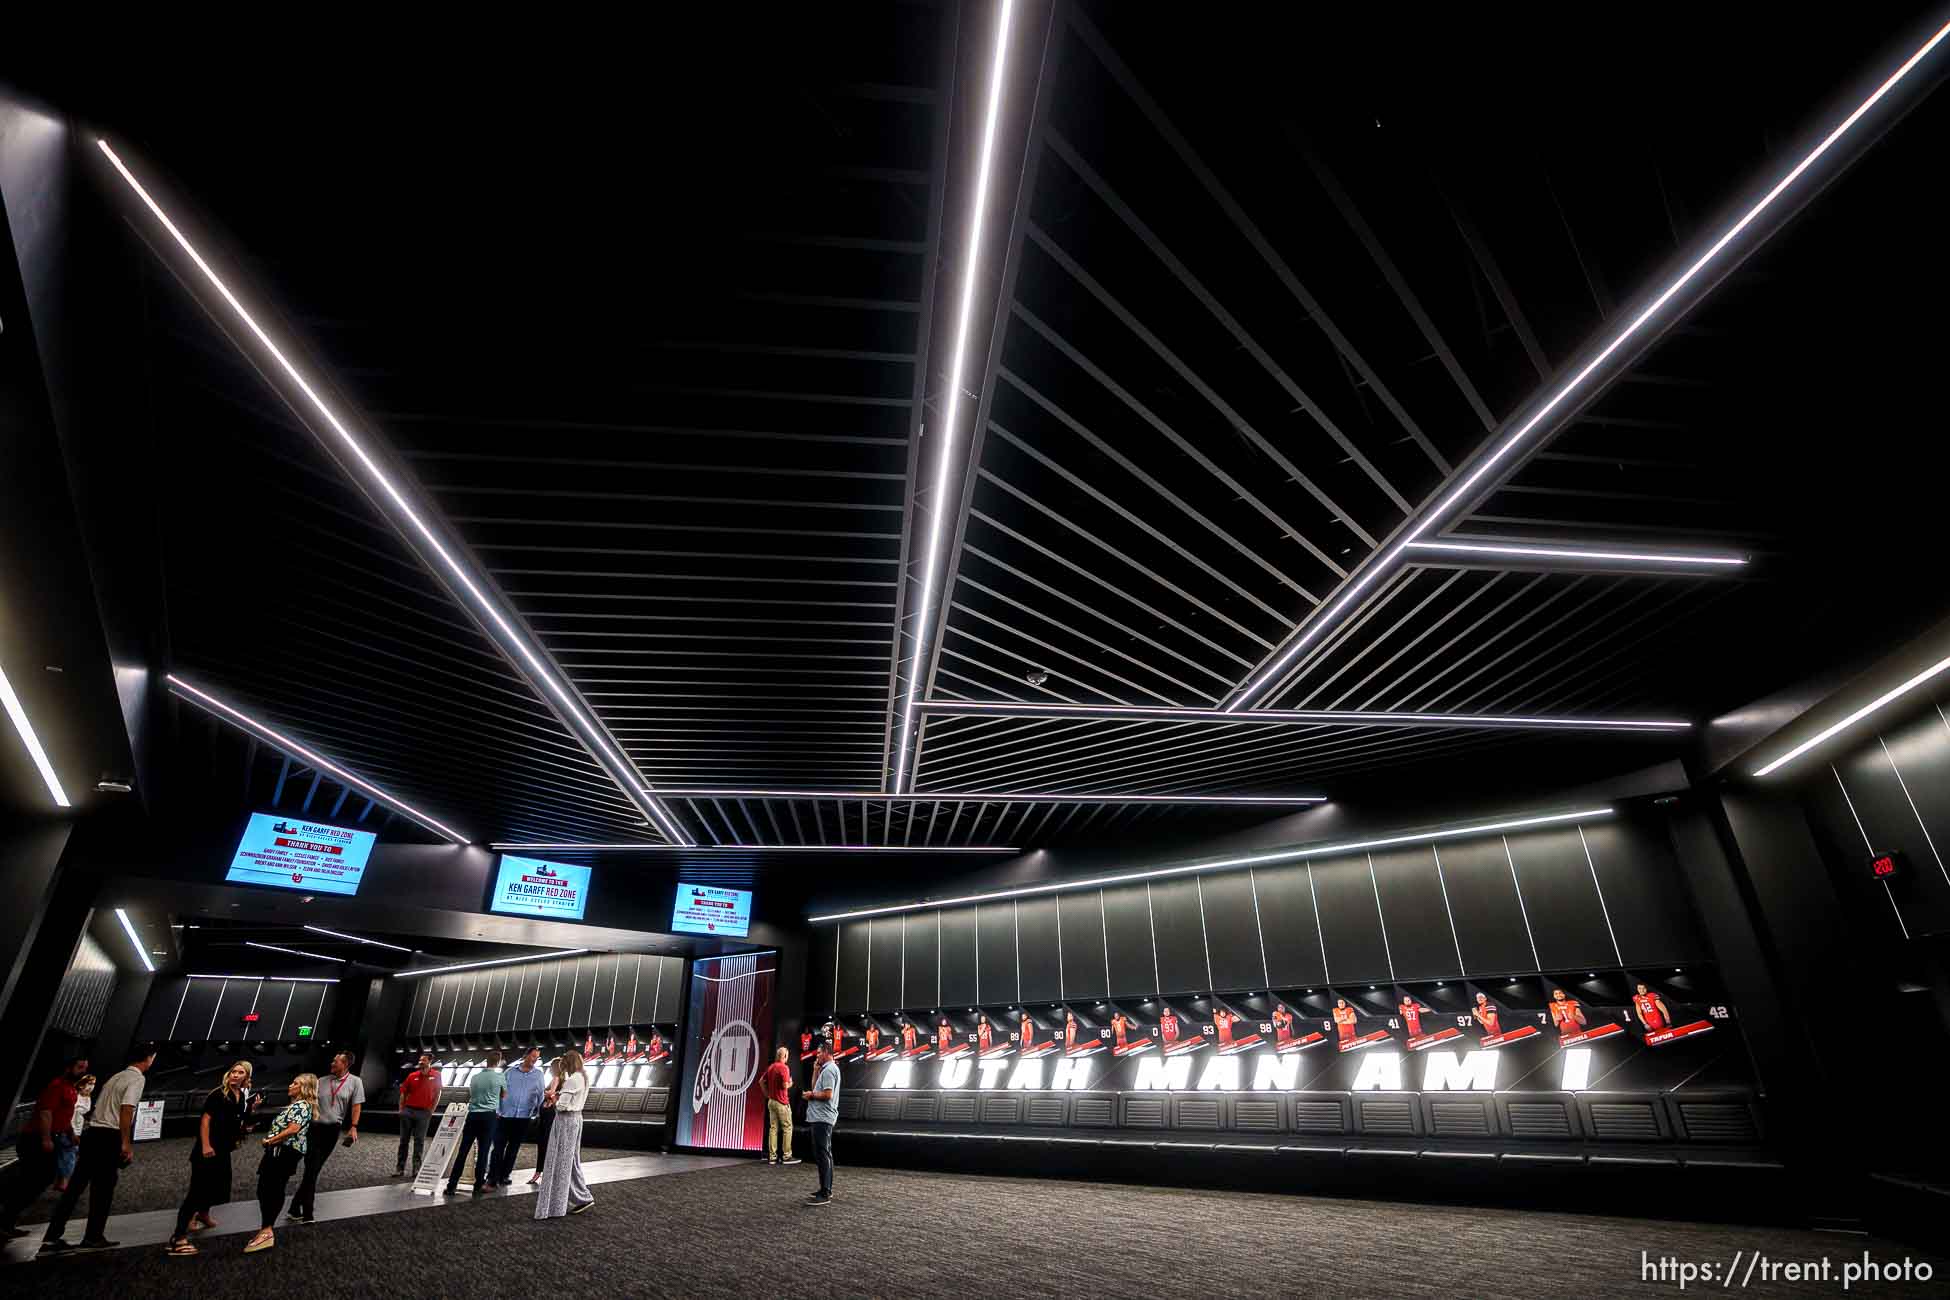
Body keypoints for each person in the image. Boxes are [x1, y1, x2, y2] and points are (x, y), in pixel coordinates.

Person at [40, 1042, 155, 1254]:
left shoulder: (115, 1077)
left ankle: (52, 1235)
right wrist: (126, 1142)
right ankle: (93, 1236)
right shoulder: (137, 1078)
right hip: (108, 1136)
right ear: (148, 1058)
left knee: (75, 1187)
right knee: (103, 1189)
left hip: (92, 1134)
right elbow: (127, 1109)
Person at [165, 1059, 255, 1257]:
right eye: (233, 1071)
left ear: (246, 1077)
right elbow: (205, 1121)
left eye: (240, 1073)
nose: (235, 1075)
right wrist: (206, 1145)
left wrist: (250, 1112)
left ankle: (203, 1214)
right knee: (196, 1192)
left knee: (219, 1186)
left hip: (223, 1151)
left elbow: (239, 1120)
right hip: (207, 1150)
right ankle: (178, 1237)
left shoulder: (240, 1096)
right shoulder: (217, 1094)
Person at [0, 1056, 88, 1239]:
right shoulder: (56, 1086)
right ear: (68, 1067)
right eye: (80, 1067)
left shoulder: (70, 1089)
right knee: (33, 1180)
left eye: (85, 1068)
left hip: (51, 1137)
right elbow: (46, 1113)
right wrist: (46, 1138)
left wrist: (70, 1132)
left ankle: (7, 1219)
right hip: (35, 1139)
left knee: (38, 1179)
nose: (83, 1071)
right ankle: (6, 1216)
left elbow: (63, 1115)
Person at [245, 1074, 316, 1254]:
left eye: (295, 1083)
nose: (290, 1085)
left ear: (303, 1088)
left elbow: (293, 1129)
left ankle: (267, 1231)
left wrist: (270, 1141)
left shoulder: (301, 1105)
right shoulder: (296, 1105)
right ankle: (266, 1229)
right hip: (280, 1151)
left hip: (285, 1151)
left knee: (272, 1188)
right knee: (265, 1188)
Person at [288, 1051, 362, 1221]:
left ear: (346, 1064)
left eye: (336, 1062)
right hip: (313, 1129)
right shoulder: (321, 1081)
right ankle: (308, 1212)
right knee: (311, 1168)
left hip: (332, 1131)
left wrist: (353, 1127)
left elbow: (356, 1106)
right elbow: (307, 1099)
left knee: (313, 1171)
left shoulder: (356, 1082)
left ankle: (294, 1207)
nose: (332, 1063)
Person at [533, 1050, 592, 1219]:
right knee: (570, 1161)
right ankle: (582, 1197)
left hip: (565, 1122)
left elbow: (563, 1106)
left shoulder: (573, 1080)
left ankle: (557, 1205)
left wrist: (555, 1100)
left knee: (560, 1162)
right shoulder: (583, 1077)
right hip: (576, 1120)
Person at [445, 1049, 505, 1195]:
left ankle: (451, 1185)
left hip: (472, 1116)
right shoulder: (500, 1077)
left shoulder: (475, 1077)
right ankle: (478, 1185)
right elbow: (504, 1094)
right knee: (483, 1152)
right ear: (498, 1062)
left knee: (463, 1151)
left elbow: (471, 1093)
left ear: (486, 1060)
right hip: (489, 1117)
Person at [488, 1048, 545, 1186]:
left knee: (513, 1148)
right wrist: (496, 1109)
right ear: (525, 1056)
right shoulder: (509, 1072)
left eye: (537, 1058)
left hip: (523, 1118)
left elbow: (540, 1094)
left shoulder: (538, 1075)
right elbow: (498, 1091)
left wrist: (537, 1112)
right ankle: (492, 1177)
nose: (534, 1060)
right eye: (532, 1056)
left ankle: (505, 1175)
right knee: (498, 1148)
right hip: (504, 1116)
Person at [804, 1042, 840, 1206]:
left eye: (818, 1053)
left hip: (822, 1118)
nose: (816, 1055)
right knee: (823, 1153)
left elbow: (827, 1094)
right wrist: (815, 1070)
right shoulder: (825, 1070)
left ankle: (825, 1192)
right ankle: (825, 1189)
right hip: (820, 1117)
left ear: (826, 1052)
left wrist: (811, 1095)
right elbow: (815, 1087)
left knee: (823, 1154)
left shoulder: (830, 1069)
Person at [396, 1052, 442, 1176]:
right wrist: (401, 1110)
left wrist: (432, 1110)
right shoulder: (412, 1075)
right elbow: (403, 1094)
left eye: (423, 1060)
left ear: (429, 1061)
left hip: (424, 1113)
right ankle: (400, 1168)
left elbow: (437, 1094)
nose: (420, 1062)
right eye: (420, 1060)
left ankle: (416, 1169)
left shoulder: (437, 1075)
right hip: (408, 1111)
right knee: (403, 1141)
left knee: (419, 1141)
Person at [56, 1074, 95, 1193]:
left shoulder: (87, 1098)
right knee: (70, 1153)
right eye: (89, 1083)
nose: (91, 1087)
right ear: (82, 1084)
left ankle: (61, 1180)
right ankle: (64, 1182)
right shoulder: (74, 1095)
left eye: (93, 1084)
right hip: (69, 1128)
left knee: (67, 1153)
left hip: (78, 1128)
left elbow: (85, 1113)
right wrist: (71, 1132)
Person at [528, 1056, 563, 1187]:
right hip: (548, 1114)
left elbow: (550, 1093)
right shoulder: (562, 1080)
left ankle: (540, 1172)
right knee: (546, 1144)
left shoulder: (556, 1079)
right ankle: (544, 1172)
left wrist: (540, 1091)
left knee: (544, 1143)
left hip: (548, 1115)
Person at [761, 1047, 799, 1166]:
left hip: (771, 1101)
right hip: (782, 1102)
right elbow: (784, 1086)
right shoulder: (784, 1068)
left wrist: (768, 1094)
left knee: (773, 1129)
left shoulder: (771, 1067)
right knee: (787, 1128)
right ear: (785, 1056)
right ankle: (786, 1156)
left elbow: (761, 1081)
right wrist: (790, 1083)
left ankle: (772, 1157)